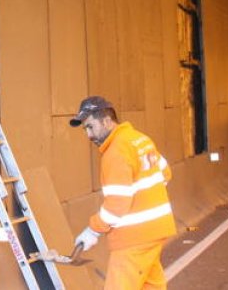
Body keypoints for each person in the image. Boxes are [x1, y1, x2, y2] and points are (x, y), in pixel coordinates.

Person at [70, 96, 176, 290]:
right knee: (150, 286)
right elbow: (165, 174)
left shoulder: (115, 152)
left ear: (107, 121)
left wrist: (92, 230)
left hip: (134, 239)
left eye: (90, 127)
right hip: (155, 231)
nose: (88, 135)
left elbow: (116, 206)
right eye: (85, 129)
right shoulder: (139, 139)